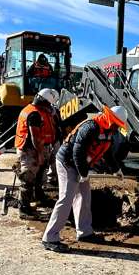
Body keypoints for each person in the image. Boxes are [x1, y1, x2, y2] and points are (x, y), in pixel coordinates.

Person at [41, 105, 128, 252]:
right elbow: (77, 150)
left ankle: (85, 232)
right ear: (109, 119)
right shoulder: (91, 127)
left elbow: (107, 154)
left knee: (84, 196)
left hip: (81, 165)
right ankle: (50, 237)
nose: (116, 128)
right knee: (66, 198)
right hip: (67, 162)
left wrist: (116, 169)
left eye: (118, 126)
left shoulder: (108, 132)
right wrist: (83, 172)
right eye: (115, 124)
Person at [14, 87, 58, 219]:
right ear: (43, 101)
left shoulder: (40, 111)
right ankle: (24, 208)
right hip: (30, 150)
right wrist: (39, 154)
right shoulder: (34, 114)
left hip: (40, 147)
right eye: (48, 104)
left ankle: (39, 197)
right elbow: (35, 137)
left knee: (40, 175)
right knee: (28, 178)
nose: (50, 107)